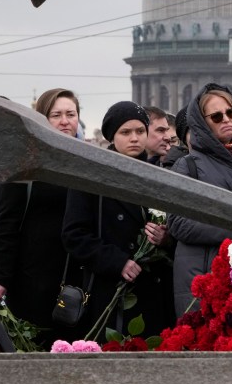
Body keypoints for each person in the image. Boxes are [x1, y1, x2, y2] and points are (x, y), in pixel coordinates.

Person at [62, 102, 175, 340]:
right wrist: (117, 261)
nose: (134, 138)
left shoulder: (163, 177)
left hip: (153, 290)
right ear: (112, 136)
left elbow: (178, 228)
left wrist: (166, 239)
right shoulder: (91, 177)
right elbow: (74, 234)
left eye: (140, 131)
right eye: (125, 132)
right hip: (109, 290)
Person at [0, 89, 82, 343]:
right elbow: (6, 223)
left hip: (77, 277)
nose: (65, 121)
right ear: (41, 119)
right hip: (34, 280)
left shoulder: (86, 162)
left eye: (71, 114)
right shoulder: (24, 163)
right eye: (56, 115)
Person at [167, 83, 232, 316]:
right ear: (202, 123)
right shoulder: (187, 165)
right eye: (216, 116)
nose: (226, 119)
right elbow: (178, 222)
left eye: (231, 113)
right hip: (203, 272)